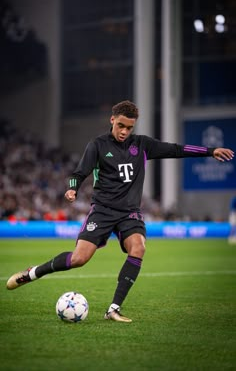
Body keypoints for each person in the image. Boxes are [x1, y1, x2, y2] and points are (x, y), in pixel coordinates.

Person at [6, 100, 235, 322]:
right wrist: (72, 190)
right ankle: (33, 272)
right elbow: (78, 174)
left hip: (129, 213)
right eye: (121, 126)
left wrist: (210, 150)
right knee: (78, 259)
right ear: (112, 120)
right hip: (102, 211)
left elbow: (177, 149)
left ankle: (113, 309)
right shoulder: (97, 145)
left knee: (139, 247)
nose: (124, 131)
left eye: (129, 127)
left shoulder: (143, 145)